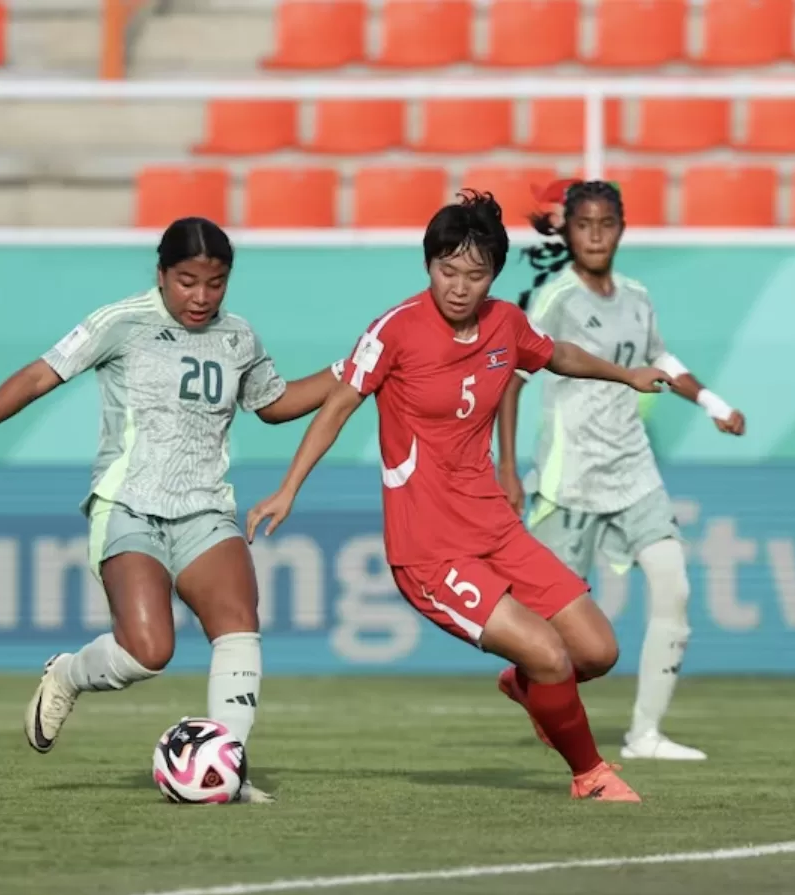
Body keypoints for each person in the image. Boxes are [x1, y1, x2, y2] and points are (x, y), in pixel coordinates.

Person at [246, 192, 671, 803]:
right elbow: (337, 407)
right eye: (447, 270)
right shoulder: (396, 330)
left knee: (598, 651)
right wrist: (288, 489)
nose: (459, 286)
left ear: (492, 275)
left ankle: (528, 687)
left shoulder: (505, 323)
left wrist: (626, 374)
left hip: (496, 529)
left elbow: (556, 354)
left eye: (475, 274)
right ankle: (590, 775)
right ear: (429, 265)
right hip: (430, 549)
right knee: (550, 655)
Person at [0, 217, 337, 804]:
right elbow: (40, 375)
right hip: (128, 506)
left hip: (205, 509)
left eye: (215, 283)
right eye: (187, 281)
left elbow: (275, 402)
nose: (201, 296)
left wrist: (352, 371)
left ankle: (227, 769)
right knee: (148, 651)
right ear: (161, 274)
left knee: (238, 621)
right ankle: (67, 674)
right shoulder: (122, 321)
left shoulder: (239, 337)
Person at [496, 179, 746, 762]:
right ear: (568, 231)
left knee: (674, 586)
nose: (595, 236)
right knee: (556, 632)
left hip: (634, 473)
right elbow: (512, 379)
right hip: (569, 481)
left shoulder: (637, 297)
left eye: (606, 224)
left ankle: (645, 735)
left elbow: (661, 358)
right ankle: (527, 683)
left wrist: (713, 404)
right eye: (584, 225)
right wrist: (507, 467)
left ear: (621, 229)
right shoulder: (555, 300)